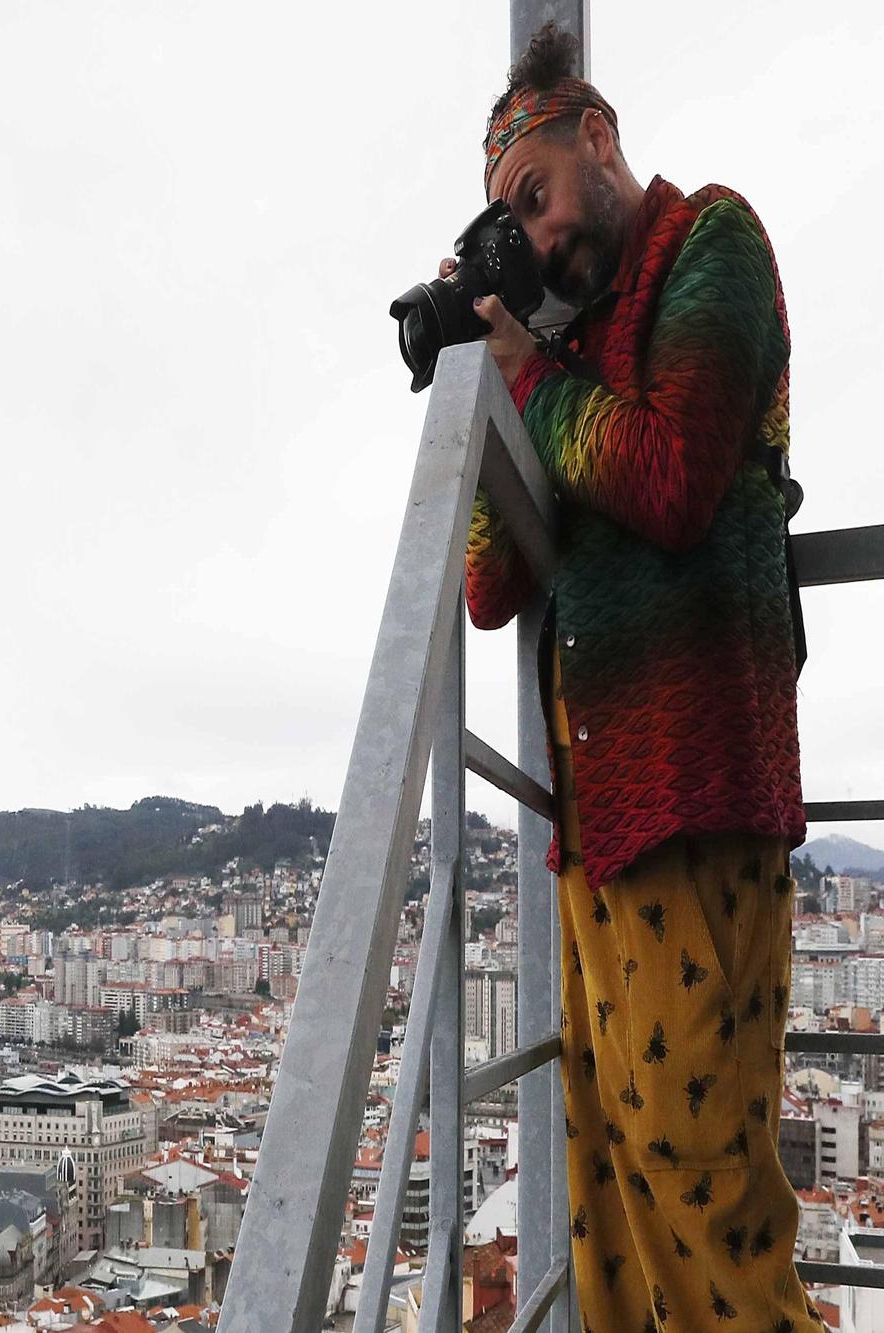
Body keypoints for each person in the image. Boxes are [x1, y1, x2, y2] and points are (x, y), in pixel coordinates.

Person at [460, 24, 819, 1331]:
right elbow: (491, 585)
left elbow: (671, 480)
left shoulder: (711, 242)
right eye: (507, 222)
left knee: (702, 1174)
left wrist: (534, 379)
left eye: (535, 199)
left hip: (701, 785)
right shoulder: (568, 341)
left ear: (596, 140)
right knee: (609, 1173)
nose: (537, 237)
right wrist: (496, 390)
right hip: (596, 825)